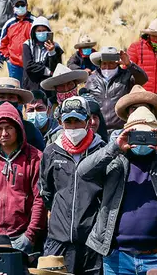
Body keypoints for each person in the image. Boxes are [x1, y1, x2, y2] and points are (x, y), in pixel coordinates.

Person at [81, 106, 157, 275]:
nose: (142, 140)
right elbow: (83, 172)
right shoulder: (114, 159)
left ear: (156, 134)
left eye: (148, 134)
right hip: (118, 256)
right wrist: (115, 146)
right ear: (126, 133)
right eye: (137, 135)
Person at [40, 96, 105, 275]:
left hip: (91, 240)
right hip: (58, 239)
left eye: (78, 121)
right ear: (60, 122)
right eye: (69, 121)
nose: (73, 126)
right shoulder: (51, 151)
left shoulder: (101, 150)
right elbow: (47, 193)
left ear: (88, 121)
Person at [0, 102, 44, 252]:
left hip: (22, 236)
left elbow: (39, 199)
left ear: (18, 129)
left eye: (9, 128)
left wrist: (30, 235)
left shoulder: (35, 158)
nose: (4, 134)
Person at [84, 47, 150, 130]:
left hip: (121, 128)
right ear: (100, 64)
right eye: (104, 63)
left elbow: (143, 79)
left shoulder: (127, 76)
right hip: (98, 129)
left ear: (117, 64)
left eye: (111, 63)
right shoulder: (91, 79)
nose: (107, 67)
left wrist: (129, 64)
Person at [127, 19, 157, 93]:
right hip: (141, 94)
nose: (156, 39)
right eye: (154, 36)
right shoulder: (135, 47)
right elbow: (127, 70)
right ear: (148, 35)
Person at [21, 16, 63, 92]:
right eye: (39, 31)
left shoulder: (55, 47)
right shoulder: (27, 45)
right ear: (34, 32)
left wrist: (52, 52)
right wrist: (47, 71)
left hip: (48, 87)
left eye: (44, 30)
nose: (41, 33)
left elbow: (56, 69)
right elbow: (28, 66)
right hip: (31, 85)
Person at [0, 0, 33, 82]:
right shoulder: (9, 24)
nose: (20, 7)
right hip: (14, 64)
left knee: (30, 90)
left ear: (27, 6)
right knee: (15, 89)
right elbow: (3, 43)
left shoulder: (34, 22)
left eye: (22, 5)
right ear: (13, 8)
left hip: (30, 63)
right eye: (17, 6)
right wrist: (7, 58)